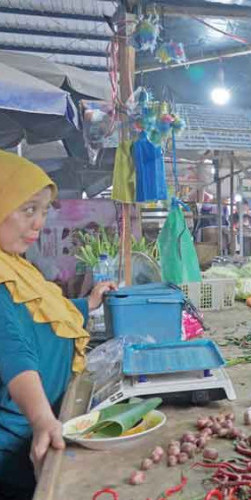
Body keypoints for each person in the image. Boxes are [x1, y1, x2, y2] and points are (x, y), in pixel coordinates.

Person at [0, 152, 116, 499]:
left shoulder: (16, 266)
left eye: (44, 209)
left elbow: (41, 315)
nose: (39, 223)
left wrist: (87, 303)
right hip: (18, 443)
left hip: (41, 424)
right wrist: (40, 419)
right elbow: (11, 350)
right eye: (28, 209)